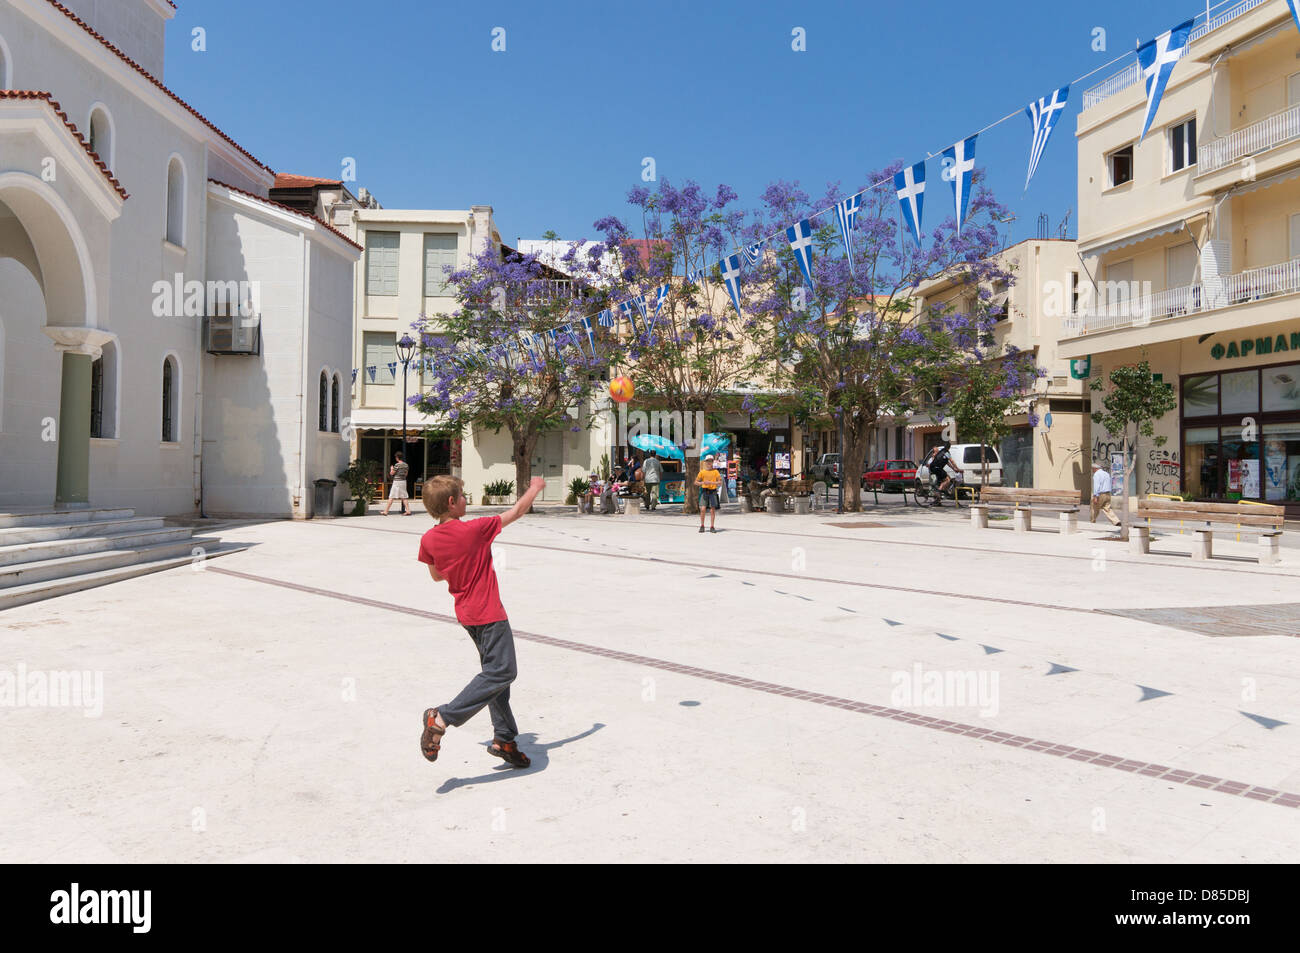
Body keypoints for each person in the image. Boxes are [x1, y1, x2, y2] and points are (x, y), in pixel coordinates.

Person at [417, 474, 545, 769]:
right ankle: (443, 717)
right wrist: (535, 487)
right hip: (489, 613)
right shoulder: (476, 529)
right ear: (451, 504)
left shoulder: (428, 539)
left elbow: (437, 576)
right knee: (503, 672)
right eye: (462, 496)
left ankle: (505, 739)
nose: (465, 500)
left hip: (467, 614)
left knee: (492, 675)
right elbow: (516, 512)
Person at [697, 453, 722, 533]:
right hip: (704, 491)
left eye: (710, 461)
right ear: (705, 462)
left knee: (712, 510)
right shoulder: (702, 472)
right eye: (707, 461)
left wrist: (712, 483)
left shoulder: (716, 472)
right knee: (703, 509)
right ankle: (702, 525)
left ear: (713, 462)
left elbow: (720, 482)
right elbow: (696, 482)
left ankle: (712, 526)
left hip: (713, 492)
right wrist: (703, 483)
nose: (709, 463)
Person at [383, 451, 411, 516]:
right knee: (404, 496)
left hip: (397, 482)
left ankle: (386, 511)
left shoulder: (397, 465)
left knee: (391, 496)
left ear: (397, 457)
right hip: (403, 481)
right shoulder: (406, 465)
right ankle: (408, 511)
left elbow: (392, 473)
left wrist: (391, 469)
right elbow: (406, 474)